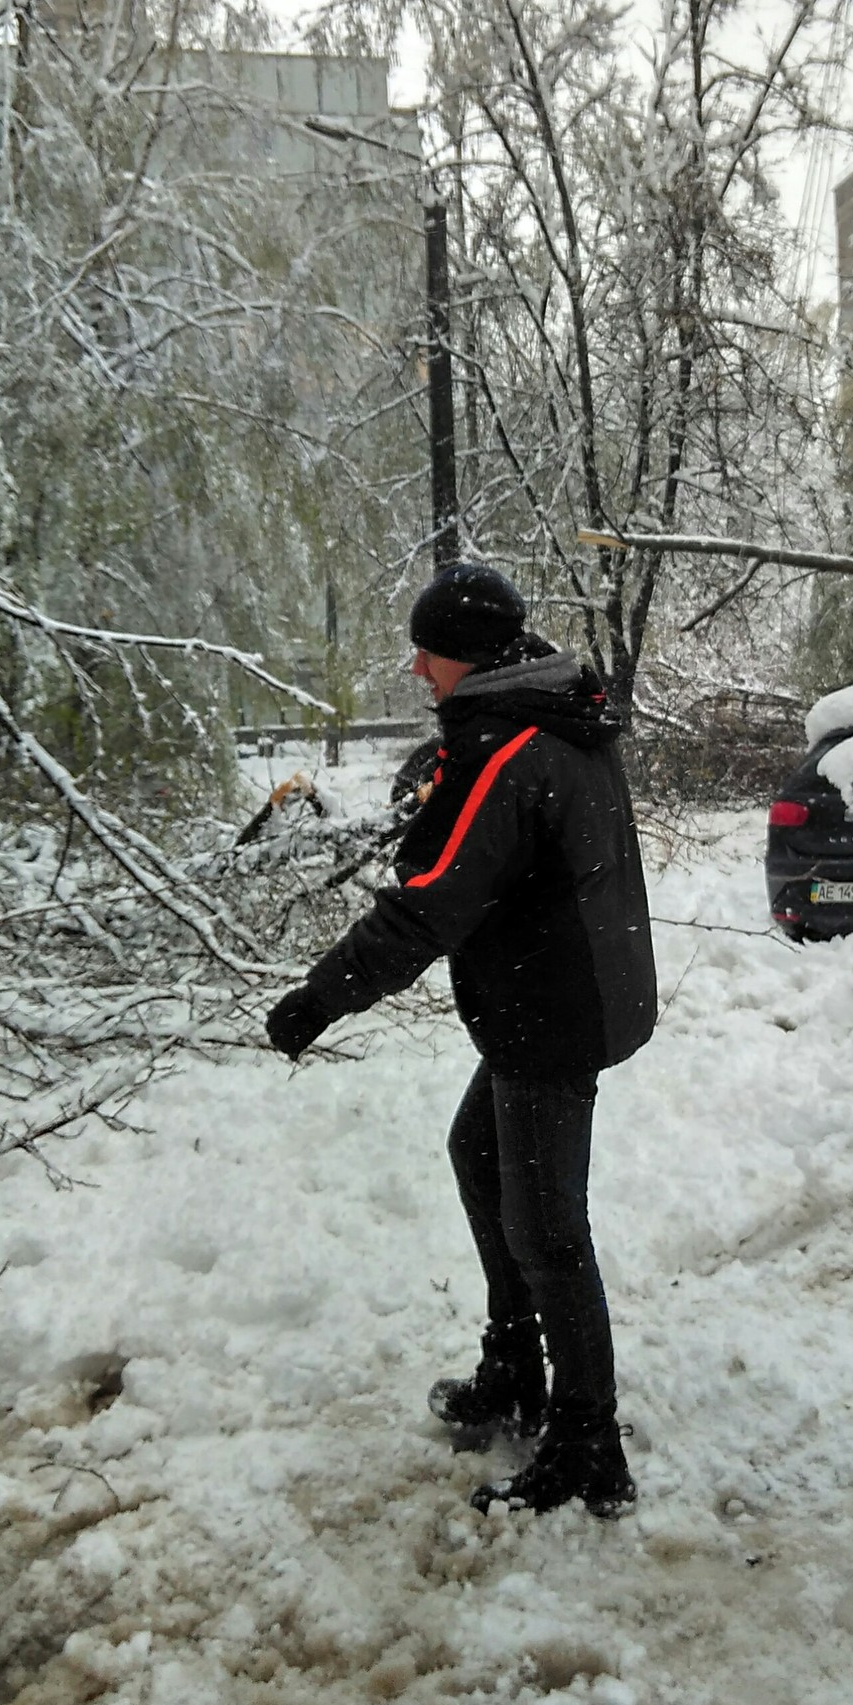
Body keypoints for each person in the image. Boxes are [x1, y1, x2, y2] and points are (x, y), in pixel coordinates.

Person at [264, 563, 657, 1517]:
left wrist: (318, 999)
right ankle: (518, 1365)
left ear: (468, 654)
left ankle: (588, 1443)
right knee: (478, 1155)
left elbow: (427, 907)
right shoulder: (547, 716)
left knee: (548, 1229)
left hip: (552, 1012)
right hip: (569, 990)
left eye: (425, 650)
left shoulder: (517, 747)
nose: (414, 668)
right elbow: (480, 854)